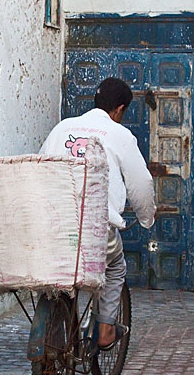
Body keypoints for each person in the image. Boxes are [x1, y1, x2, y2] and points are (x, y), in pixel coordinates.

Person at [39, 77, 156, 350]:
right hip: (95, 229)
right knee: (115, 268)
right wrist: (146, 217)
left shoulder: (61, 128)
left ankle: (55, 334)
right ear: (119, 109)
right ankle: (104, 330)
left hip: (53, 224)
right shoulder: (120, 135)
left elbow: (40, 167)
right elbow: (141, 184)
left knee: (59, 273)